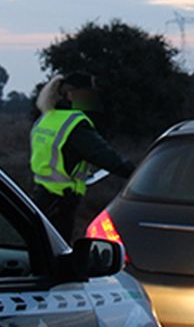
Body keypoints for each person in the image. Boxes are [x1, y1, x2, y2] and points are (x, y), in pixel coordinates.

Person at [30, 72, 137, 240]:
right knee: (59, 254)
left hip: (41, 195)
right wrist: (138, 173)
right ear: (72, 94)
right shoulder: (74, 123)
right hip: (61, 201)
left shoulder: (46, 118)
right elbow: (105, 157)